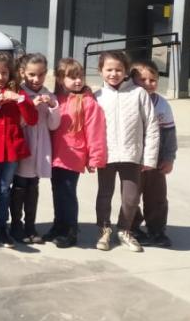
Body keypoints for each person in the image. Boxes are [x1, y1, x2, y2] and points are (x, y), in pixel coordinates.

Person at [94, 50, 160, 253]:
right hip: (106, 155)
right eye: (109, 69)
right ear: (100, 71)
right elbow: (91, 129)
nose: (113, 74)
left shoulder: (138, 93)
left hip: (132, 155)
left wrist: (149, 157)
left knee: (131, 198)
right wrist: (92, 155)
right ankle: (104, 230)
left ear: (126, 71)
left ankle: (124, 230)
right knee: (104, 195)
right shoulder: (97, 96)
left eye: (118, 69)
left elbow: (151, 126)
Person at [0, 51, 38, 247]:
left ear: (10, 73)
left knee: (4, 190)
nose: (0, 77)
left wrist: (20, 100)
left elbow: (32, 119)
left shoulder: (17, 90)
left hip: (11, 149)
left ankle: (1, 227)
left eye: (3, 73)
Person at [47, 58, 107, 248]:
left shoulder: (88, 102)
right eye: (72, 77)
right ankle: (58, 225)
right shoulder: (56, 99)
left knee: (67, 192)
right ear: (60, 79)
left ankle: (70, 230)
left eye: (80, 76)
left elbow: (95, 131)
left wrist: (95, 157)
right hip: (55, 154)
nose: (78, 81)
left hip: (73, 155)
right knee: (57, 191)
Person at [124, 60, 177, 248]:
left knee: (157, 197)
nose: (148, 84)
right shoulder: (127, 101)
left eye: (153, 80)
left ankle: (157, 230)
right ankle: (132, 228)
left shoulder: (162, 105)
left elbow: (169, 134)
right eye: (142, 79)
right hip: (132, 159)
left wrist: (169, 158)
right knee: (130, 197)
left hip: (156, 162)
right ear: (132, 80)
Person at [11, 54, 60, 244]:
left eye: (40, 75)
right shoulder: (19, 93)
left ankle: (30, 226)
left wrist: (53, 106)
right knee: (20, 185)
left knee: (33, 186)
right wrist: (30, 106)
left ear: (46, 74)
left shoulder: (49, 94)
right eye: (31, 74)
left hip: (41, 147)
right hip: (25, 145)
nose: (36, 79)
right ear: (22, 73)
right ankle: (16, 225)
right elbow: (18, 123)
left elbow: (54, 125)